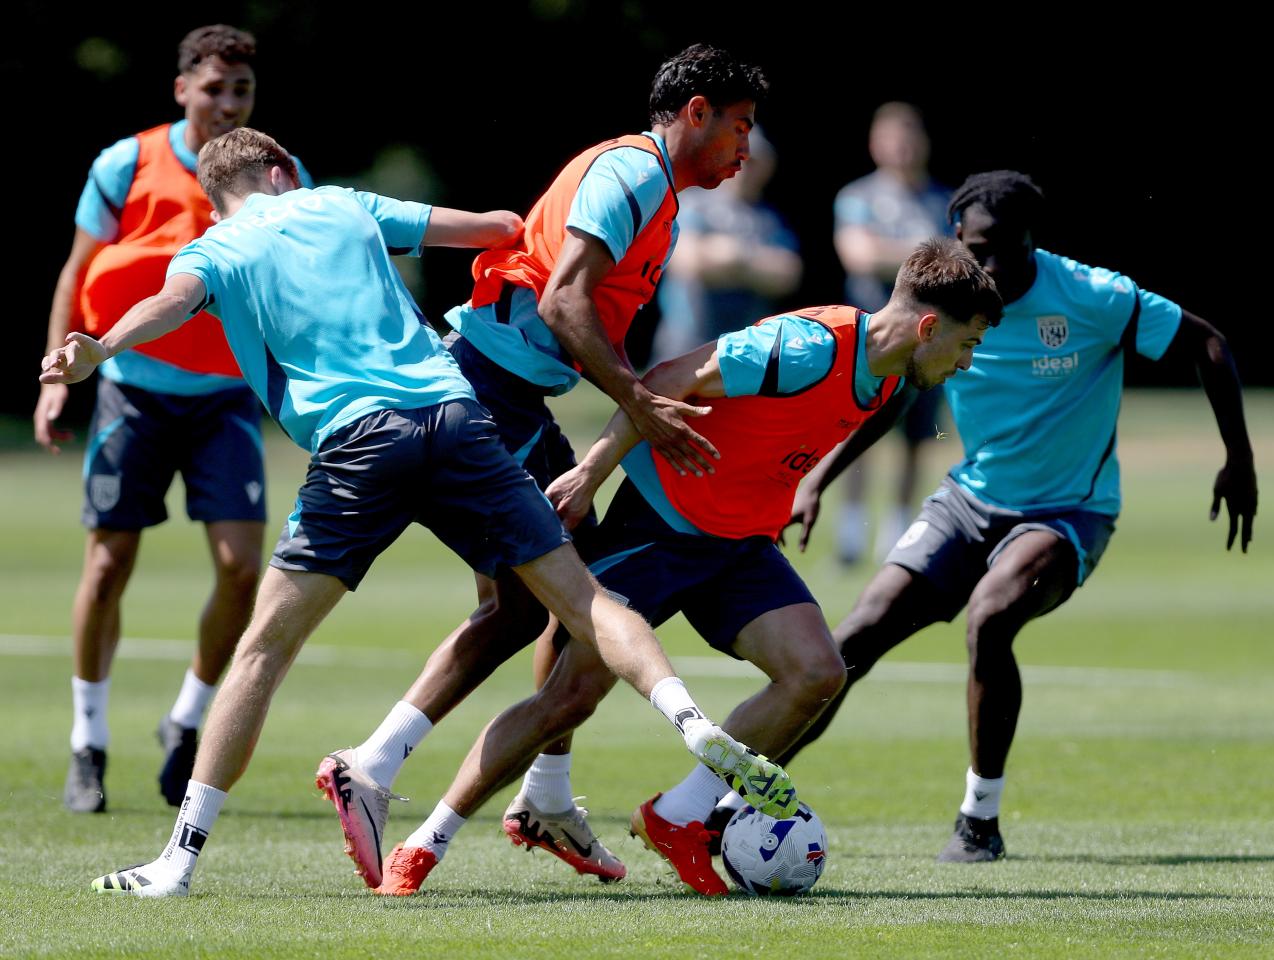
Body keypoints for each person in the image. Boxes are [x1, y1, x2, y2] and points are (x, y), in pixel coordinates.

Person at [42, 128, 792, 898]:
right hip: (456, 417)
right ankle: (691, 721)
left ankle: (179, 862)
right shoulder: (340, 203)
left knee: (263, 649)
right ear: (280, 170)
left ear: (216, 194)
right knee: (585, 602)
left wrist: (99, 347)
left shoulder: (214, 249)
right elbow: (494, 227)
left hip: (357, 444)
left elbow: (169, 303)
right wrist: (531, 232)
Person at [367, 239, 1001, 897]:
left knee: (816, 673)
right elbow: (671, 378)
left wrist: (794, 488)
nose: (967, 361)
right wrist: (590, 472)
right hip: (661, 528)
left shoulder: (892, 375)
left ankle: (678, 817)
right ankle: (424, 845)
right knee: (569, 697)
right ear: (928, 327)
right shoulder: (809, 347)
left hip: (740, 546)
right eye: (967, 344)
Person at [317, 43, 770, 887]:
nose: (746, 148)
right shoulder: (633, 175)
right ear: (696, 112)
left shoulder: (660, 191)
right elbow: (563, 299)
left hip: (512, 397)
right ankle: (377, 767)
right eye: (738, 126)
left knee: (558, 591)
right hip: (487, 393)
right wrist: (637, 400)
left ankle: (540, 792)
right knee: (550, 602)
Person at [783, 170, 1257, 862]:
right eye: (981, 249)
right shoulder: (945, 303)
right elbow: (901, 391)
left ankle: (979, 819)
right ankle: (736, 796)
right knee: (852, 637)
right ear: (957, 241)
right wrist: (821, 474)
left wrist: (1238, 458)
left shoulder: (1093, 296)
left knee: (990, 616)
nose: (996, 267)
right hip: (969, 500)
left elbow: (1206, 341)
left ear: (1036, 241)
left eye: (1012, 249)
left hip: (1069, 512)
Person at [36, 25, 311, 813]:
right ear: (182, 87)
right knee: (107, 565)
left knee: (238, 569)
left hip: (226, 396)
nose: (229, 103)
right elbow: (79, 273)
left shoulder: (275, 171)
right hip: (134, 388)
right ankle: (87, 742)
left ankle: (186, 720)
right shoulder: (125, 164)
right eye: (216, 87)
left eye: (243, 91)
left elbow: (302, 276)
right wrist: (59, 375)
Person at [832, 102, 954, 565]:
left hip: (928, 339)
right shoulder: (857, 197)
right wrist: (928, 254)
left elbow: (961, 261)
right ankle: (851, 528)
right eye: (892, 138)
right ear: (875, 144)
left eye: (910, 137)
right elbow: (859, 255)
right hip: (871, 337)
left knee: (917, 437)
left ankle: (899, 529)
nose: (902, 148)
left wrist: (898, 253)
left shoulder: (942, 200)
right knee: (857, 430)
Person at [650, 126, 801, 362]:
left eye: (753, 161)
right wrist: (757, 267)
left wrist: (736, 257)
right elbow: (688, 262)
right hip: (686, 346)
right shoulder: (692, 202)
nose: (744, 168)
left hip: (747, 352)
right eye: (737, 156)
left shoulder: (770, 218)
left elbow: (787, 275)